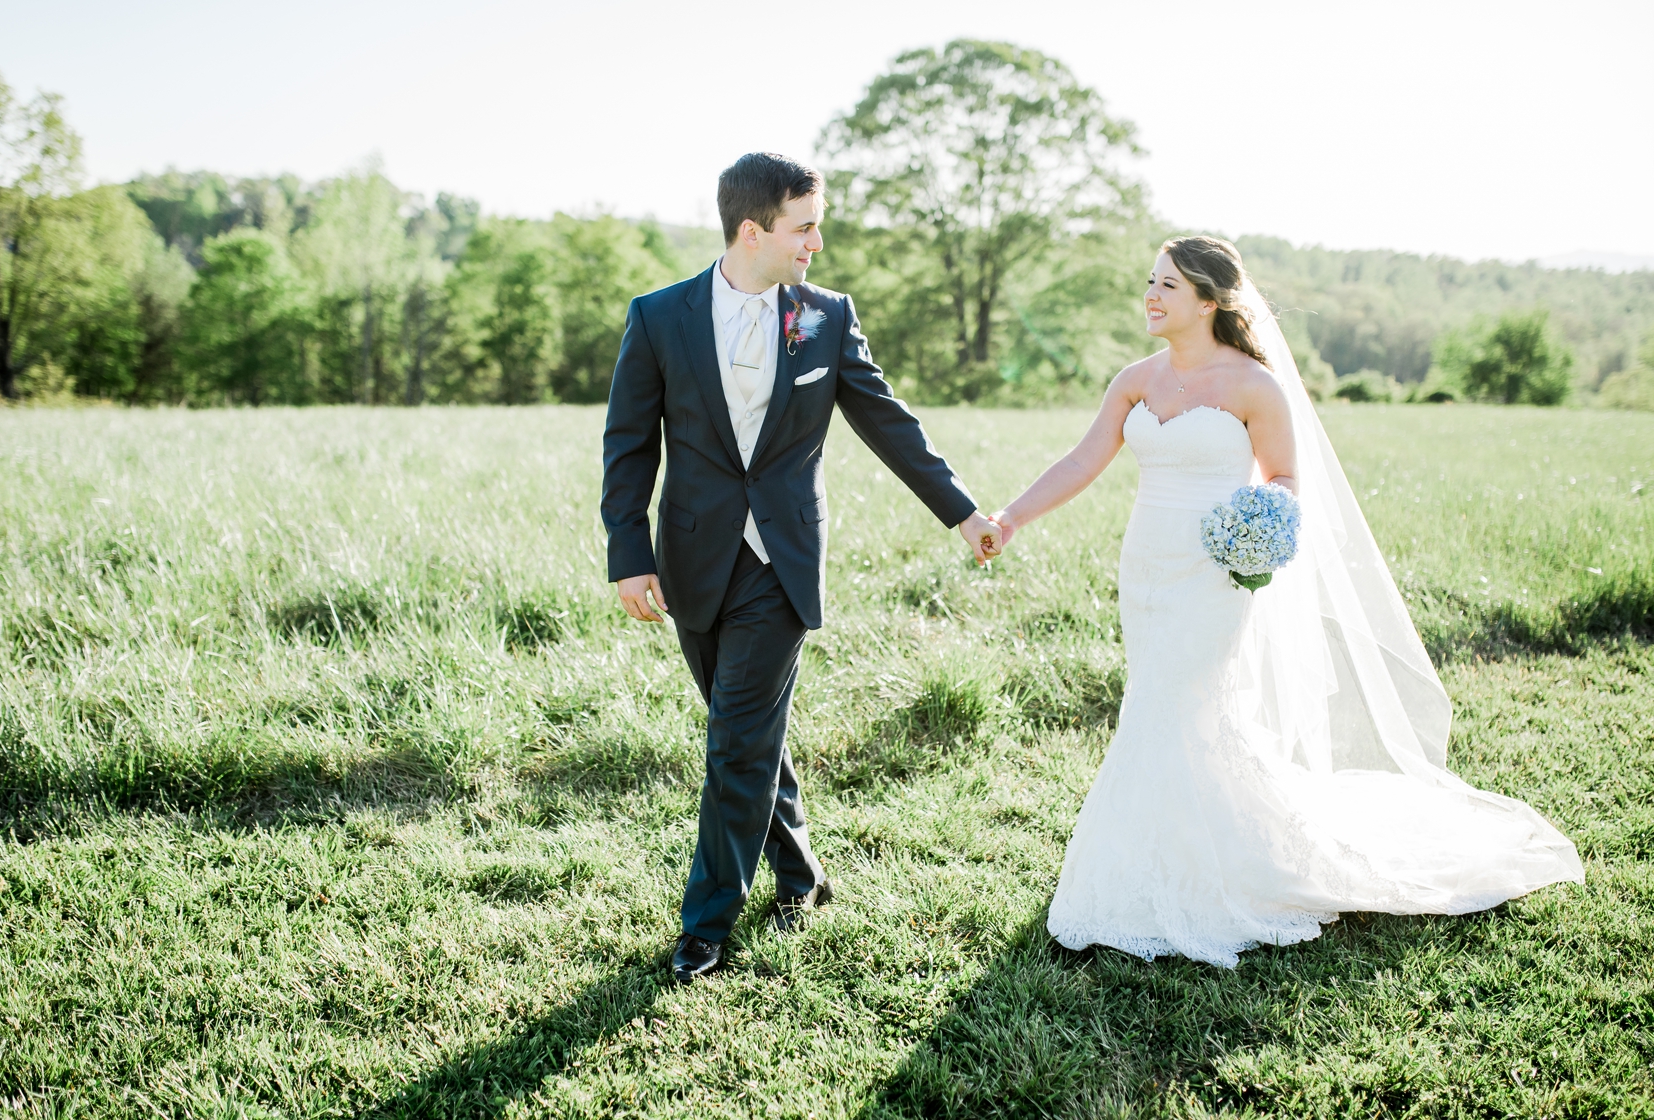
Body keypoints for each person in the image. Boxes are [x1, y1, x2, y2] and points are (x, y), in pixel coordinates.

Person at [991, 236, 1584, 967]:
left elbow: (1285, 481)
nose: (1150, 295)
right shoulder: (1136, 380)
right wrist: (1012, 517)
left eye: (1167, 286)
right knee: (1155, 699)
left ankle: (1196, 873)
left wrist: (1252, 533)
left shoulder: (1253, 387)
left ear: (1208, 301)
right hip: (1145, 570)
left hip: (1213, 576)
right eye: (1150, 281)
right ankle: (1168, 852)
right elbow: (1084, 459)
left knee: (1175, 704)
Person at [601, 153, 1003, 983]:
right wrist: (628, 555)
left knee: (735, 740)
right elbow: (629, 445)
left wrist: (964, 513)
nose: (818, 241)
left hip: (782, 562)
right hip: (692, 563)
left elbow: (888, 422)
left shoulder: (826, 317)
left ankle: (706, 922)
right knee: (747, 731)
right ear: (754, 231)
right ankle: (803, 875)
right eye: (806, 226)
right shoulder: (659, 317)